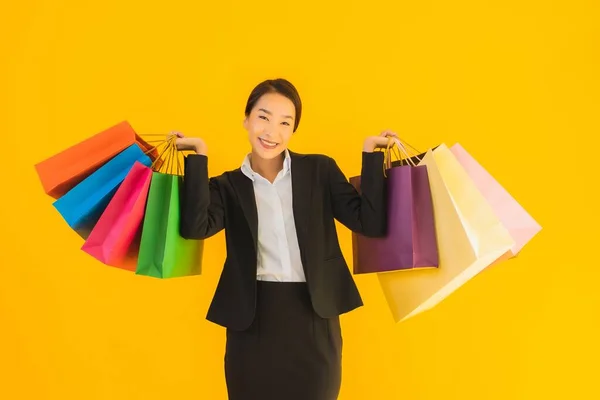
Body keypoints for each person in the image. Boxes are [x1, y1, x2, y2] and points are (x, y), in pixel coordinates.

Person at [172, 78, 397, 400]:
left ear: (293, 131)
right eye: (263, 117)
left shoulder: (319, 170)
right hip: (252, 321)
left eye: (284, 122)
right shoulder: (227, 186)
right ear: (246, 119)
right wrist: (197, 157)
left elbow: (369, 223)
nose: (271, 131)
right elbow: (195, 228)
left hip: (314, 316)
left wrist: (371, 155)